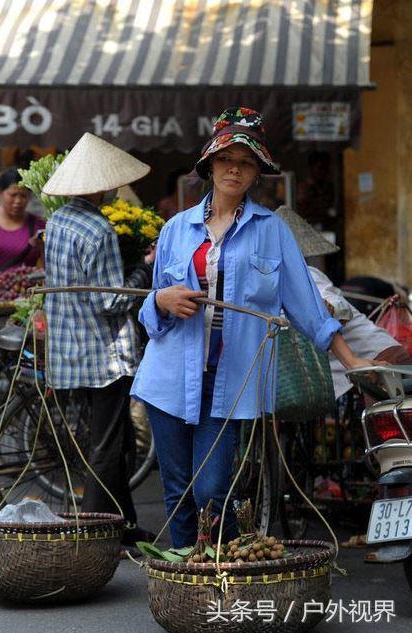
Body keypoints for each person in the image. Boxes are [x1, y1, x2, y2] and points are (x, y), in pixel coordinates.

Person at [131, 107, 376, 549]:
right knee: (178, 492)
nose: (235, 169)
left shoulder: (272, 230)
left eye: (246, 163)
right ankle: (191, 581)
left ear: (256, 173)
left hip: (230, 382)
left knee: (210, 491)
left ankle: (216, 570)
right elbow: (152, 315)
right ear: (210, 164)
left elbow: (307, 307)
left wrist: (351, 359)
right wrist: (161, 300)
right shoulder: (175, 229)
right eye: (227, 160)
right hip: (168, 377)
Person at [41, 132, 153, 546]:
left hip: (71, 351)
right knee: (107, 447)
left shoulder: (57, 221)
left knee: (112, 440)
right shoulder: (98, 228)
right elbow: (110, 301)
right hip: (104, 353)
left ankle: (123, 526)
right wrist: (145, 270)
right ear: (101, 184)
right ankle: (91, 536)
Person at [276, 207, 411, 397]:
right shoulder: (269, 285)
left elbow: (339, 307)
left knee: (386, 424)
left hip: (381, 360)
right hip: (359, 371)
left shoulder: (308, 275)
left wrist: (327, 310)